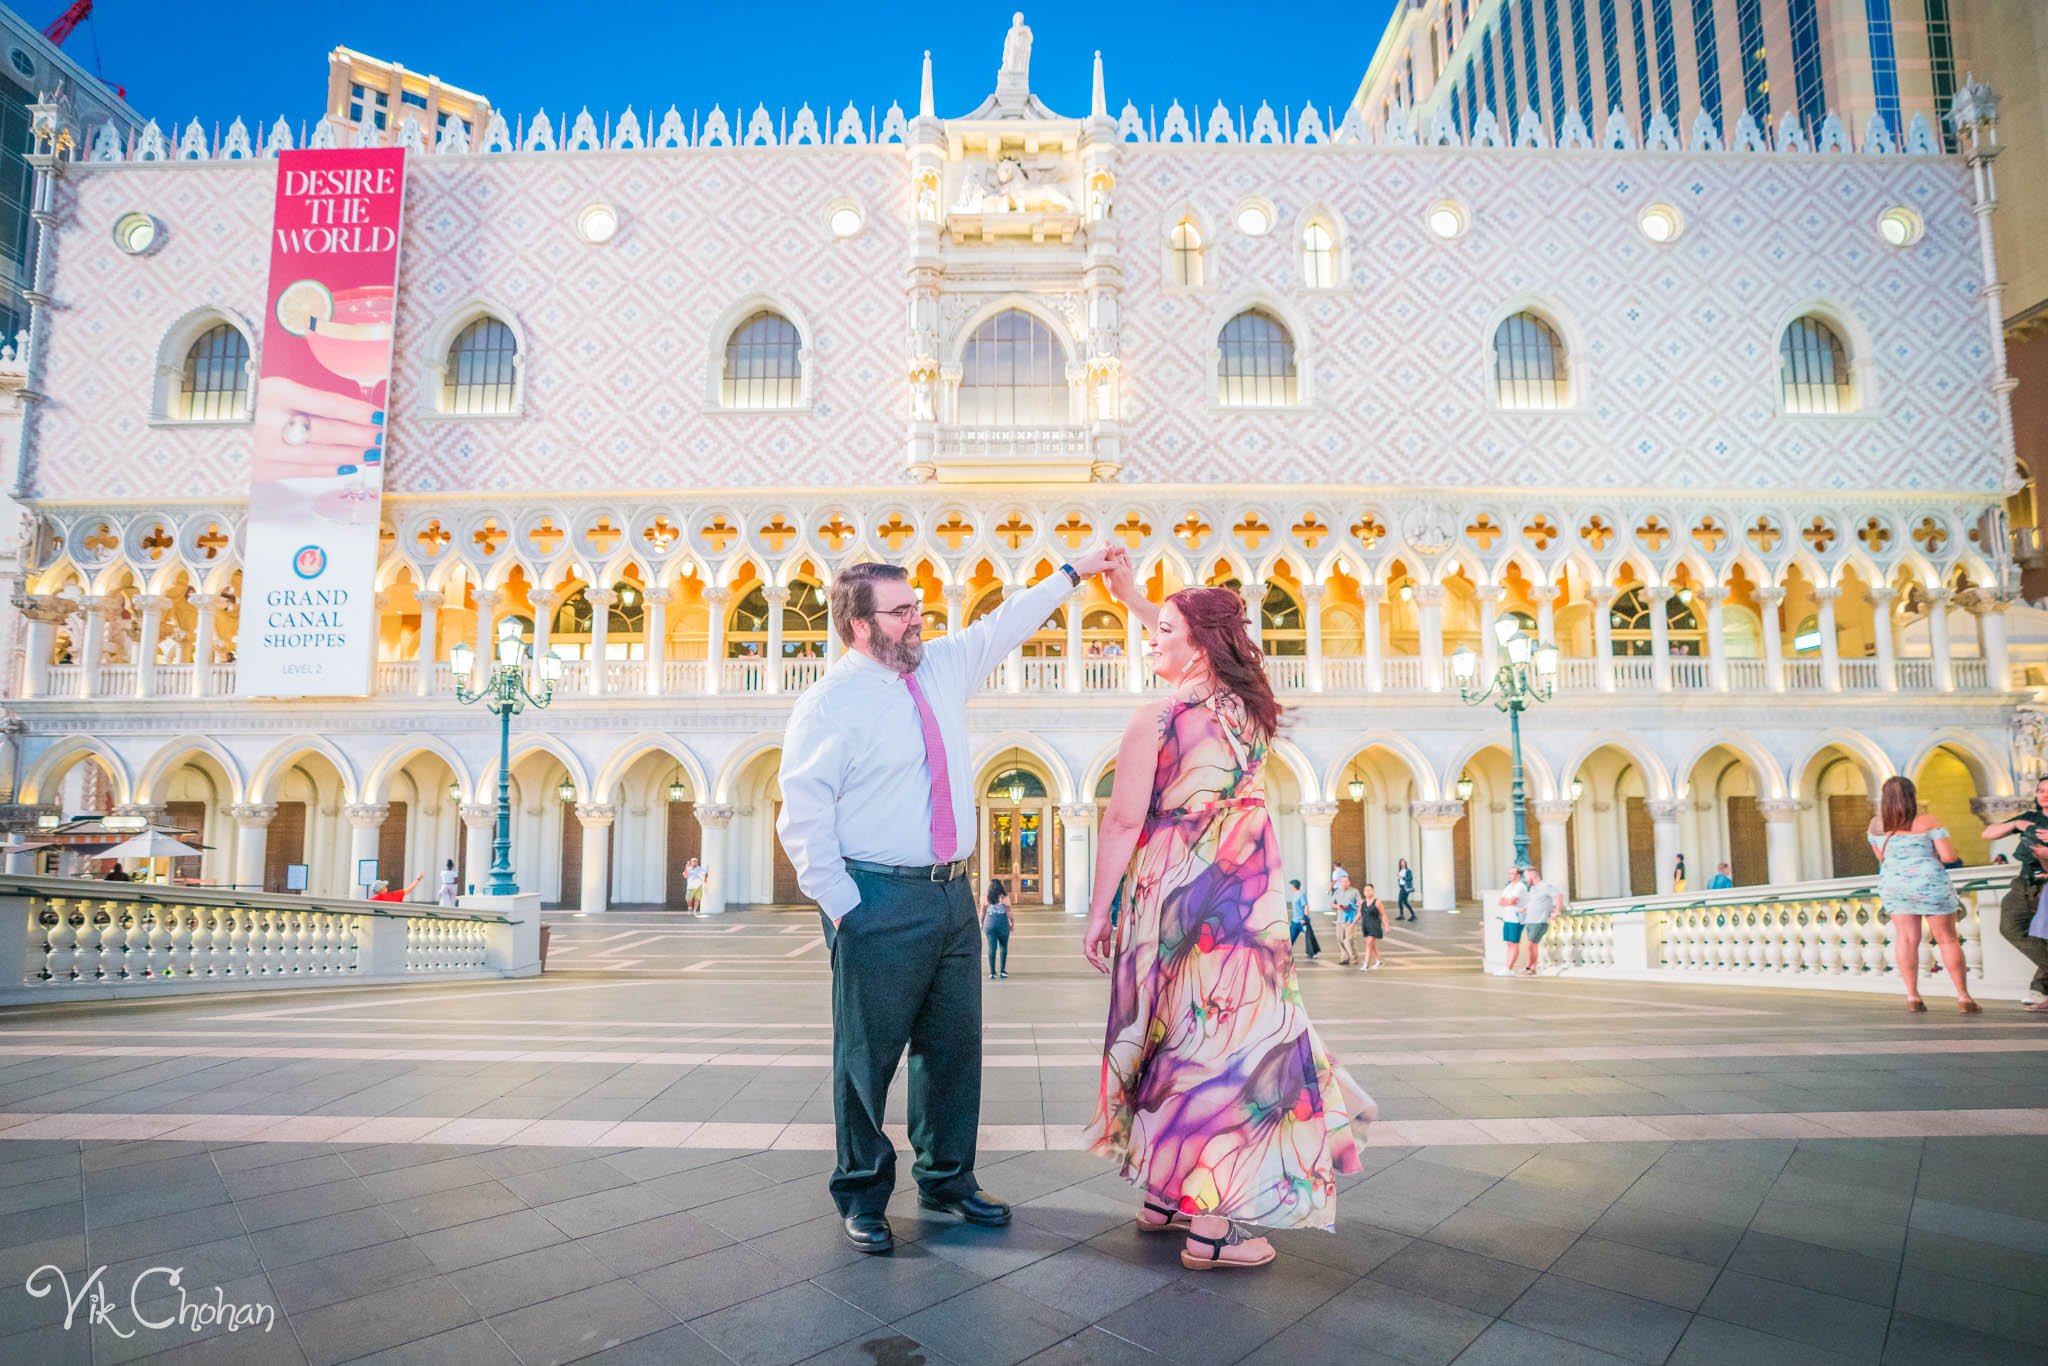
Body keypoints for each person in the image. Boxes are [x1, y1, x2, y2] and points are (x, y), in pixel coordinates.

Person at [779, 546, 1125, 1255]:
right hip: (876, 896)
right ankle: (864, 1191)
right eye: (902, 611)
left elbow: (1006, 623)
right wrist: (845, 905)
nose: (918, 621)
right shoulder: (828, 704)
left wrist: (1073, 573)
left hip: (951, 896)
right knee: (866, 1058)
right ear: (859, 625)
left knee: (953, 1050)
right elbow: (803, 814)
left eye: (919, 608)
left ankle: (945, 1177)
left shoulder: (937, 667)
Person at [1083, 574, 1372, 1271]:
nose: (1149, 639)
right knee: (1226, 1039)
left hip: (1173, 898)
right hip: (1243, 902)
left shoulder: (1154, 719)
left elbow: (1123, 820)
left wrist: (1099, 910)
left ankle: (1204, 1222)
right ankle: (1171, 1193)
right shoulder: (1246, 709)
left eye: (1162, 634)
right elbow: (1201, 641)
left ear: (1198, 646)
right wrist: (1138, 603)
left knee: (1180, 1037)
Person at [1872, 775, 1980, 1014]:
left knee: (1907, 939)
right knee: (1947, 939)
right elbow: (1949, 857)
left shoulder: (1876, 826)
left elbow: (1882, 858)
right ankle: (1963, 997)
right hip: (1929, 883)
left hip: (1895, 885)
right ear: (1912, 796)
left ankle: (1912, 996)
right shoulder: (1928, 821)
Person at [1980, 775, 2048, 1009]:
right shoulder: (2031, 818)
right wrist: (2015, 825)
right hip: (2025, 883)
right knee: (2010, 926)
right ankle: (2040, 988)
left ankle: (2039, 990)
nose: (2044, 795)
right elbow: (1988, 833)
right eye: (2040, 791)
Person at [1517, 872, 1563, 974]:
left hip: (1539, 921)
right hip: (1530, 921)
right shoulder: (1533, 888)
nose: (1525, 880)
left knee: (1530, 945)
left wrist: (1557, 911)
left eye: (1526, 877)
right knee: (1533, 946)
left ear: (1533, 876)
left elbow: (1558, 896)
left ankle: (1528, 968)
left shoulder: (1545, 886)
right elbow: (1534, 902)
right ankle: (1533, 968)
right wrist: (1524, 909)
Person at [1498, 867, 1530, 970]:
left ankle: (1509, 968)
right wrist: (1508, 901)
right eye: (1509, 873)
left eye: (1512, 873)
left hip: (1516, 919)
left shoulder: (1520, 887)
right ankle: (1506, 967)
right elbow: (1500, 902)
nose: (1510, 875)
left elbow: (1512, 901)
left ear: (1518, 875)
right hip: (1507, 918)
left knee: (1514, 943)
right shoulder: (1509, 887)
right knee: (1508, 943)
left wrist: (1508, 901)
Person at [1330, 873, 1363, 965]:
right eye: (1342, 882)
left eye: (1346, 881)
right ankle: (1345, 957)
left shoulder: (1354, 891)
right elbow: (1332, 904)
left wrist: (1353, 907)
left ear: (1349, 882)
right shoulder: (1337, 891)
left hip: (1350, 919)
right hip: (1340, 919)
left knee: (1349, 939)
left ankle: (1354, 958)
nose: (1344, 883)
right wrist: (1338, 906)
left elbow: (1360, 902)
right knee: (1339, 938)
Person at [982, 881, 1012, 979]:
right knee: (1003, 946)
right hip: (1002, 924)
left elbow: (982, 911)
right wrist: (1012, 923)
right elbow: (1009, 912)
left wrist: (981, 923)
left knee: (991, 948)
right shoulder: (1005, 898)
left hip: (989, 924)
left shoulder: (986, 898)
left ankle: (992, 972)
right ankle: (1002, 971)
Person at [1356, 881, 1387, 971]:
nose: (1367, 892)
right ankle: (1378, 961)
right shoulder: (1362, 902)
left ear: (1373, 891)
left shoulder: (1377, 902)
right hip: (1365, 925)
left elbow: (1383, 914)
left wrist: (1386, 925)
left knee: (1369, 944)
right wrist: (1352, 923)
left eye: (1369, 890)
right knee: (1371, 945)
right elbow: (1359, 914)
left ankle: (1366, 965)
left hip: (1374, 925)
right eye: (1365, 890)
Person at [1286, 878, 1320, 959]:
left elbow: (1305, 906)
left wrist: (1305, 918)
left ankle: (1313, 953)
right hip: (1295, 921)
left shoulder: (1301, 894)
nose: (1290, 888)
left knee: (1309, 937)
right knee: (1290, 937)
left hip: (1302, 921)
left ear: (1294, 886)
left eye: (1291, 886)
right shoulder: (1294, 895)